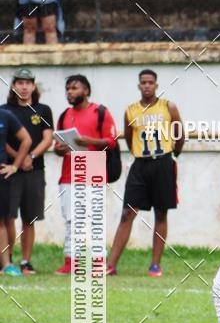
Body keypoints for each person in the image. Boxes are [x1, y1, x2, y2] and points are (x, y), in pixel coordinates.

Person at [106, 70, 183, 278]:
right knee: (127, 212)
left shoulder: (168, 106)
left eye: (150, 82)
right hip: (140, 165)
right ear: (139, 86)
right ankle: (110, 264)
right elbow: (130, 139)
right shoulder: (130, 110)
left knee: (161, 212)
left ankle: (155, 265)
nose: (147, 86)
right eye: (143, 83)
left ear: (156, 85)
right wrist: (139, 154)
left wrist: (173, 154)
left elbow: (179, 134)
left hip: (163, 163)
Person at [53, 75, 117, 275]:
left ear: (86, 91)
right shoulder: (64, 115)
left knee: (95, 219)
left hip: (94, 170)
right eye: (68, 89)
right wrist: (61, 148)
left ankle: (98, 261)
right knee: (72, 219)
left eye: (74, 88)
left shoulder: (100, 112)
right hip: (69, 173)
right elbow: (56, 147)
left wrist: (88, 141)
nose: (70, 92)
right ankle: (71, 260)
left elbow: (111, 140)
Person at [2, 69, 54, 275]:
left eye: (28, 83)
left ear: (34, 86)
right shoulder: (4, 110)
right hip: (9, 170)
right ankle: (8, 260)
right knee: (8, 217)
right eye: (20, 83)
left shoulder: (43, 109)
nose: (24, 87)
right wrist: (18, 159)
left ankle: (26, 261)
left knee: (29, 218)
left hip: (35, 170)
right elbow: (2, 140)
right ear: (13, 86)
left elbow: (48, 138)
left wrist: (30, 157)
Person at [0, 105, 31, 277]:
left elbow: (26, 139)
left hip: (1, 174)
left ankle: (6, 264)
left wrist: (15, 166)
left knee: (1, 222)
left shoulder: (6, 115)